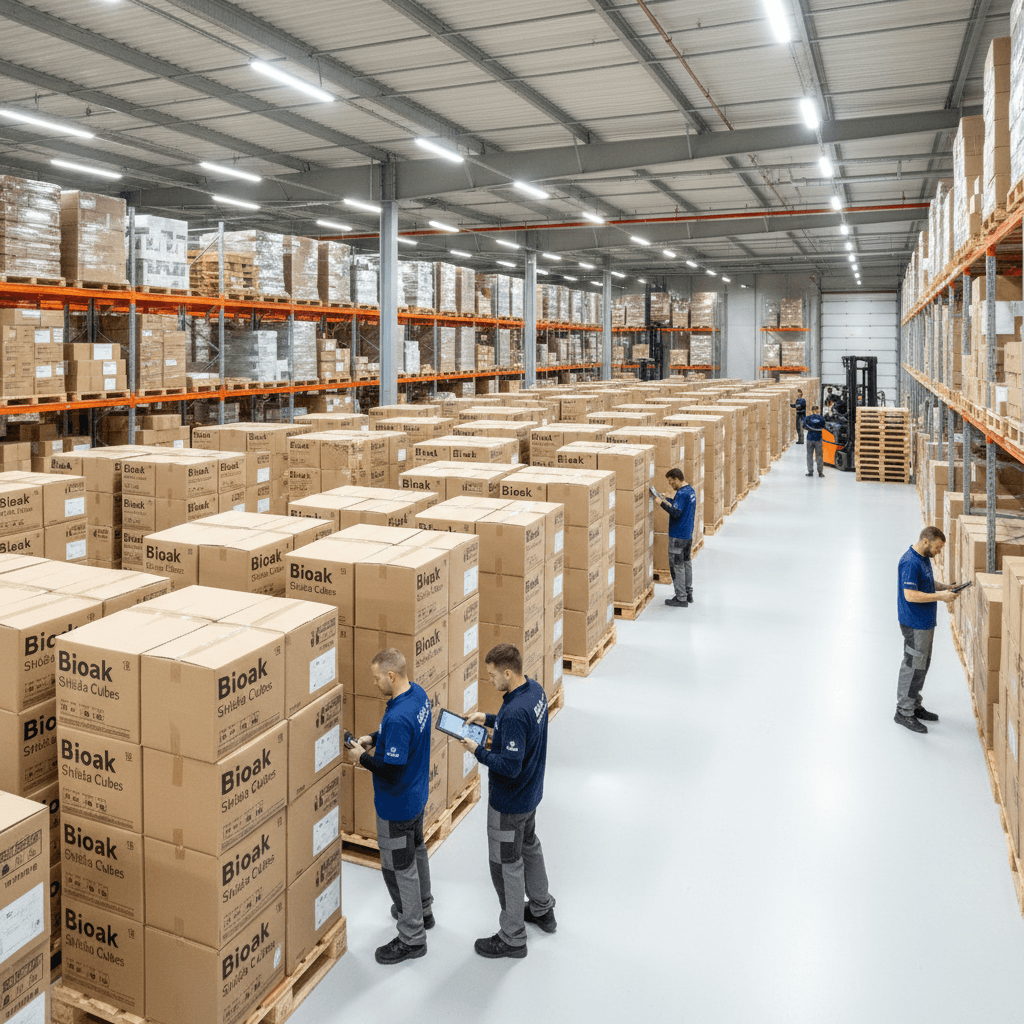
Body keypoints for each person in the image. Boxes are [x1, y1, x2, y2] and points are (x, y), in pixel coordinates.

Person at [459, 643, 555, 959]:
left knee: (505, 865)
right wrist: (486, 718)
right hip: (531, 794)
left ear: (508, 672)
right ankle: (542, 908)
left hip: (509, 802)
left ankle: (512, 936)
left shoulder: (514, 712)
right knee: (529, 846)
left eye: (492, 675)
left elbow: (510, 766)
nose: (490, 680)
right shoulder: (534, 691)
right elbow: (518, 727)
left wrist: (477, 751)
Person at [347, 648, 433, 964]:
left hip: (396, 804)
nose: (374, 683)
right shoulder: (417, 695)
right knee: (417, 850)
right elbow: (400, 737)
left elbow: (392, 770)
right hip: (417, 795)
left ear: (391, 676)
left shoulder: (398, 717)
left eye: (377, 678)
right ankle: (423, 909)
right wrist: (373, 739)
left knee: (398, 868)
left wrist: (362, 758)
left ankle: (412, 937)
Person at [895, 527, 958, 733]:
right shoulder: (910, 562)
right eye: (937, 547)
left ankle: (914, 704)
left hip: (925, 622)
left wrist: (945, 587)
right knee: (913, 665)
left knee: (922, 665)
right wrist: (941, 597)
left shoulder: (924, 558)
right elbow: (910, 595)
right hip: (914, 623)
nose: (938, 552)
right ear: (925, 541)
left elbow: (927, 583)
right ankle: (903, 712)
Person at [656, 467, 697, 607]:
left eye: (671, 481)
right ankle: (688, 593)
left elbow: (676, 513)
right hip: (687, 534)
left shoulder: (681, 493)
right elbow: (681, 507)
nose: (670, 484)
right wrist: (667, 498)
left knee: (677, 566)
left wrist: (661, 503)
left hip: (678, 535)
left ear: (677, 479)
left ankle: (681, 598)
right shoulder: (690, 491)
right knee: (686, 563)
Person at [804, 404, 826, 478]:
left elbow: (804, 426)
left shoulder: (808, 418)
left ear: (812, 410)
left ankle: (810, 472)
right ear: (816, 410)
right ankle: (820, 472)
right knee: (819, 455)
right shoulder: (821, 418)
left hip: (810, 438)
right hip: (818, 439)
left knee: (809, 455)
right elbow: (824, 426)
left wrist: (810, 428)